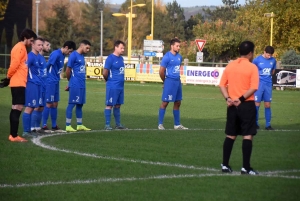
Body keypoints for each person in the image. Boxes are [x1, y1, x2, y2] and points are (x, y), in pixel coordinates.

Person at [219, 41, 259, 175]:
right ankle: (245, 168)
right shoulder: (252, 67)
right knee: (247, 135)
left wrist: (228, 99)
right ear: (250, 53)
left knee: (230, 135)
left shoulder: (230, 66)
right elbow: (253, 87)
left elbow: (222, 85)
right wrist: (241, 99)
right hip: (246, 105)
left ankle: (225, 165)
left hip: (231, 106)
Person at [6, 28, 37, 142]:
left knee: (16, 108)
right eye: (31, 40)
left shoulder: (22, 47)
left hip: (19, 82)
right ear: (25, 38)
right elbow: (14, 65)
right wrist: (8, 77)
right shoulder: (20, 48)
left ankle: (13, 135)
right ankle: (14, 136)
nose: (32, 43)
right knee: (17, 108)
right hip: (18, 83)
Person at [42, 41, 76, 132]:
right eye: (70, 51)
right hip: (50, 81)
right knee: (49, 103)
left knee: (55, 103)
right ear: (66, 47)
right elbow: (48, 66)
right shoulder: (55, 54)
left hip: (56, 81)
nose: (70, 53)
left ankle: (54, 126)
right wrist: (44, 78)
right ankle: (44, 125)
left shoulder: (63, 55)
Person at [158, 38, 188, 130]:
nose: (179, 48)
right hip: (169, 81)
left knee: (178, 102)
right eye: (177, 46)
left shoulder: (179, 57)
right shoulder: (167, 57)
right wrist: (165, 82)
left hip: (177, 82)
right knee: (165, 102)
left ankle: (177, 124)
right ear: (172, 46)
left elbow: (177, 68)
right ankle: (160, 124)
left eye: (179, 46)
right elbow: (161, 71)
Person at [65, 40, 92, 132]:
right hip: (75, 84)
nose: (88, 50)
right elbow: (68, 70)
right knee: (72, 104)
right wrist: (70, 82)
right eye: (87, 47)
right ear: (81, 45)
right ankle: (68, 125)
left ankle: (79, 125)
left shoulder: (82, 56)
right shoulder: (73, 55)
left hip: (82, 84)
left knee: (80, 105)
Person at [22, 37, 44, 138]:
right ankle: (26, 131)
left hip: (39, 85)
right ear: (33, 45)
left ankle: (31, 129)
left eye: (41, 45)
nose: (40, 47)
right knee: (29, 108)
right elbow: (24, 70)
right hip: (31, 84)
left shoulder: (39, 57)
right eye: (39, 45)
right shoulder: (29, 56)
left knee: (36, 107)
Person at [103, 40, 128, 130]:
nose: (123, 50)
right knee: (109, 105)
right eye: (121, 48)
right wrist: (108, 81)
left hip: (120, 86)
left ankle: (118, 124)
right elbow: (105, 72)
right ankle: (107, 125)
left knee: (118, 105)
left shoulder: (121, 59)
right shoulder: (110, 58)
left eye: (123, 48)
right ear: (116, 47)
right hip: (112, 86)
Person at [30, 38, 51, 133]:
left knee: (42, 106)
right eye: (46, 45)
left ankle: (38, 127)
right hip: (36, 85)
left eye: (43, 45)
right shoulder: (33, 57)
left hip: (43, 85)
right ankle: (31, 127)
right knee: (35, 106)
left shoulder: (42, 58)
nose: (43, 47)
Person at [253, 46, 277, 130]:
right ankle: (255, 124)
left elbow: (273, 71)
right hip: (259, 84)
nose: (269, 56)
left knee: (267, 105)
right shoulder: (257, 59)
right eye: (268, 55)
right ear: (264, 52)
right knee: (257, 104)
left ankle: (268, 125)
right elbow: (252, 70)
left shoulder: (273, 60)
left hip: (268, 85)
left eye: (270, 55)